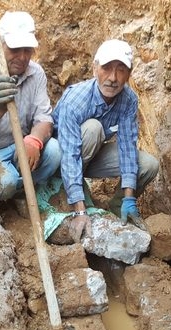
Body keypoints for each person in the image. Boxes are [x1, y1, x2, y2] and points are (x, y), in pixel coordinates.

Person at [52, 39, 159, 241]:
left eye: (121, 70)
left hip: (92, 156)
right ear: (95, 68)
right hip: (60, 159)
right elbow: (69, 154)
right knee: (93, 128)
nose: (113, 78)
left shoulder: (128, 99)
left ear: (129, 74)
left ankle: (119, 206)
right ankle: (67, 191)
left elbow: (127, 148)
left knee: (149, 165)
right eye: (107, 68)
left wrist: (129, 197)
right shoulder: (76, 99)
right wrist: (80, 211)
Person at [0, 11, 61, 201]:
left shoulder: (36, 73)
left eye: (27, 49)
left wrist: (34, 140)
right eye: (15, 49)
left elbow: (44, 118)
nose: (23, 57)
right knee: (5, 183)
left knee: (55, 152)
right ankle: (5, 193)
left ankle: (22, 193)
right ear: (0, 45)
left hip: (19, 146)